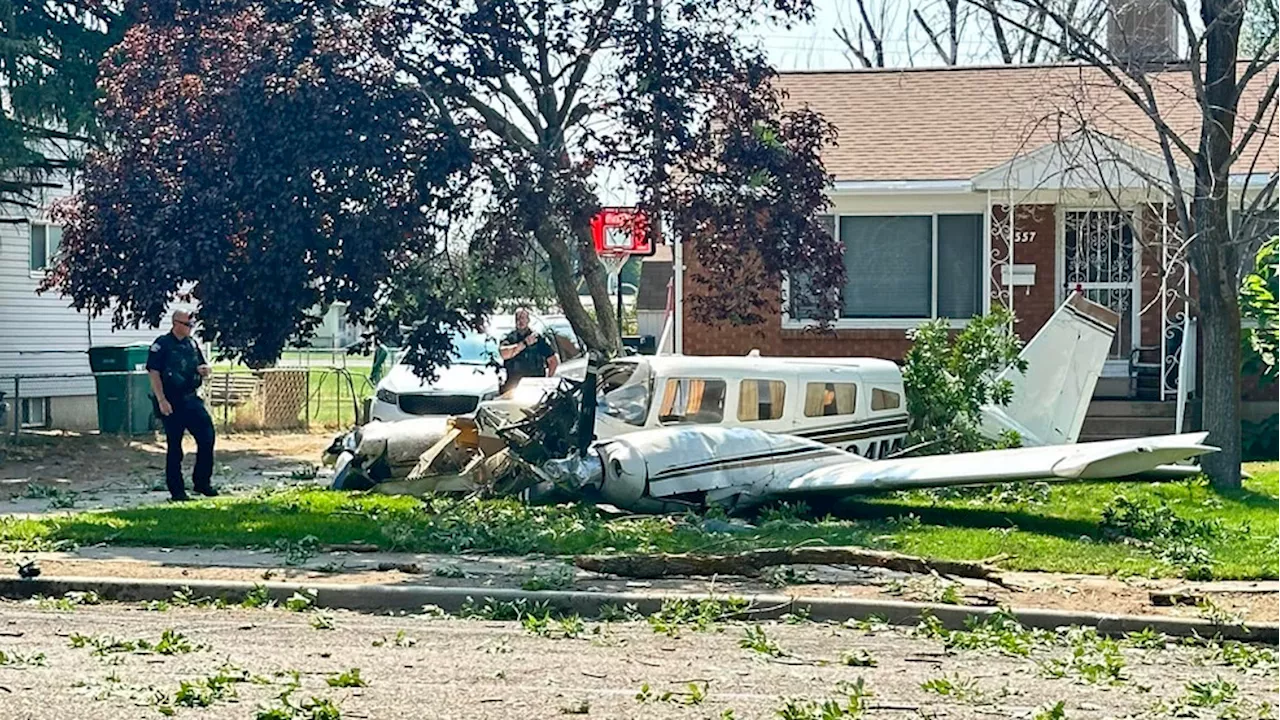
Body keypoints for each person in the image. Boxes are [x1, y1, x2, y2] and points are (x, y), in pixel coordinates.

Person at [146, 310, 217, 501]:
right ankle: (177, 491)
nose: (190, 328)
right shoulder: (162, 344)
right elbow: (154, 373)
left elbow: (203, 365)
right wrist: (161, 400)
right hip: (171, 400)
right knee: (175, 447)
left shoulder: (192, 344)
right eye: (187, 324)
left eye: (191, 324)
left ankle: (202, 482)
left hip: (191, 398)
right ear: (176, 323)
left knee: (207, 437)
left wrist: (205, 370)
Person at [498, 308, 559, 394]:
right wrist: (524, 343)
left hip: (534, 386)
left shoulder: (538, 339)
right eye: (518, 318)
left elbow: (553, 361)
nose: (520, 321)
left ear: (528, 320)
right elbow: (504, 354)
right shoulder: (509, 338)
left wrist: (547, 381)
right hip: (513, 386)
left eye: (523, 318)